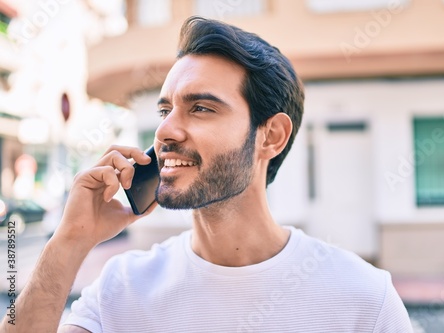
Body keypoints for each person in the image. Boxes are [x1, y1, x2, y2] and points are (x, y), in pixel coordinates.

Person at [2, 16, 413, 333]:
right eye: (165, 111)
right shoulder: (122, 289)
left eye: (201, 108)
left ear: (271, 136)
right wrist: (70, 241)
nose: (165, 130)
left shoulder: (364, 299)